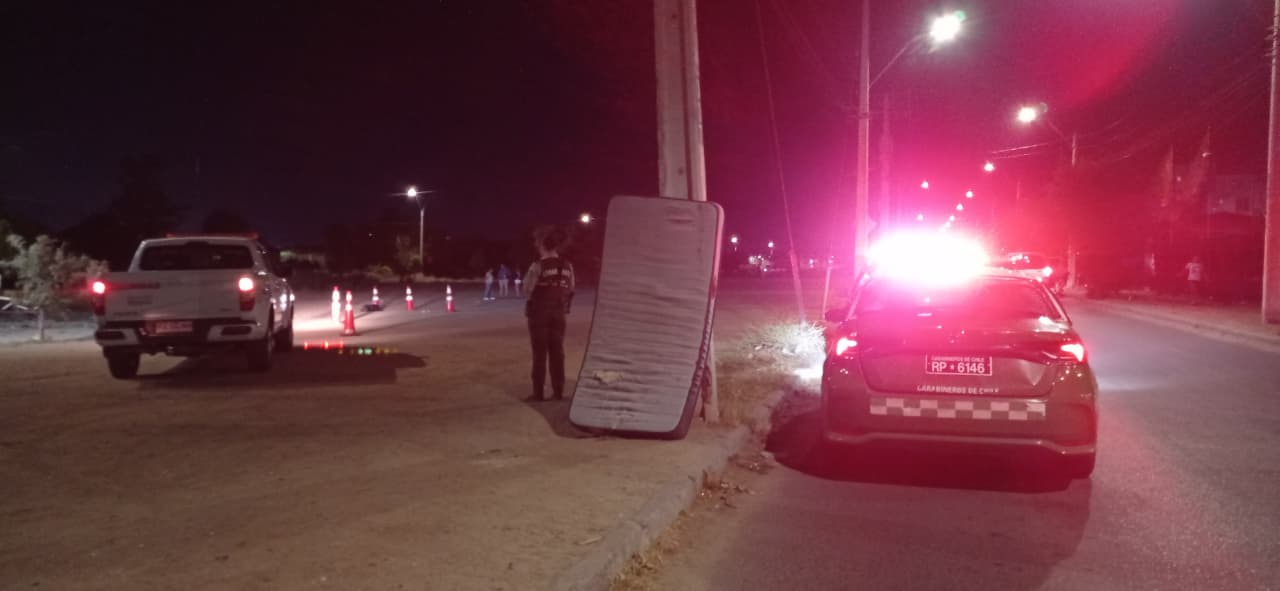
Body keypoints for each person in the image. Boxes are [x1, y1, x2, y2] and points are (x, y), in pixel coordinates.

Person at [524, 229, 575, 401]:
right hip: (559, 313)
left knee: (539, 353)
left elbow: (527, 290)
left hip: (539, 313)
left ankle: (538, 393)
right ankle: (558, 391)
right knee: (557, 352)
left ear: (542, 246)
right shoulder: (567, 265)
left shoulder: (538, 265)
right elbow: (571, 288)